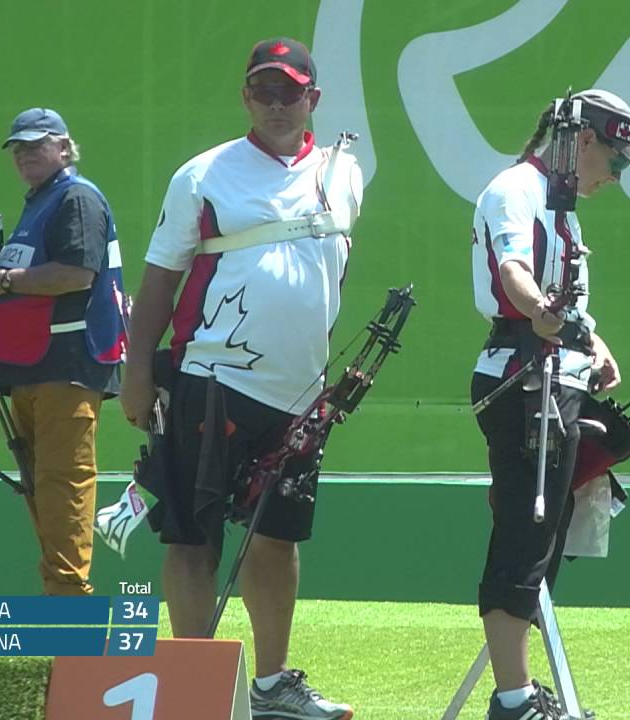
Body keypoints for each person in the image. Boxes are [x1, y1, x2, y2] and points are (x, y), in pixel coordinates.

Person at [119, 37, 358, 719]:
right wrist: (137, 375)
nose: (277, 103)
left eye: (290, 91)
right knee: (193, 534)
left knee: (276, 537)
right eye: (264, 90)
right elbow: (160, 281)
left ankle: (272, 686)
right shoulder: (203, 175)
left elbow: (331, 272)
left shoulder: (345, 172)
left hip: (301, 391)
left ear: (314, 98)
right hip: (211, 378)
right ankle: (195, 682)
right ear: (246, 97)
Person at [469, 89, 630, 719]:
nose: (616, 177)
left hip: (553, 381)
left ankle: (520, 691)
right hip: (520, 381)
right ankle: (513, 700)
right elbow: (515, 276)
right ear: (586, 141)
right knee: (523, 532)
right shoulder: (515, 188)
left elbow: (559, 301)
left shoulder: (563, 206)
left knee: (542, 535)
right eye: (617, 162)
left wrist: (590, 342)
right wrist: (552, 322)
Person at [0, 107, 128, 595]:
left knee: (62, 481)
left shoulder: (75, 197)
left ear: (65, 148)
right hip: (34, 365)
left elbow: (76, 274)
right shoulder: (43, 201)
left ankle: (71, 601)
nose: (25, 153)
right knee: (41, 482)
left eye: (37, 144)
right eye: (18, 147)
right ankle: (59, 591)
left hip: (67, 364)